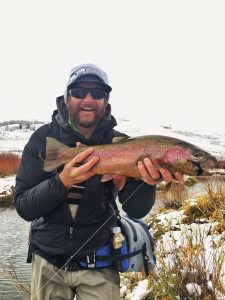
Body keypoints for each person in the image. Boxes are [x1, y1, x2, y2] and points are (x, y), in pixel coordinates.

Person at [14, 64, 183, 300]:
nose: (89, 99)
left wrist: (145, 181)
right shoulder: (44, 139)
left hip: (101, 260)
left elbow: (137, 210)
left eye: (98, 93)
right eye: (80, 92)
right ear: (66, 97)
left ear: (106, 99)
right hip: (47, 261)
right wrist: (62, 181)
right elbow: (23, 206)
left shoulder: (123, 145)